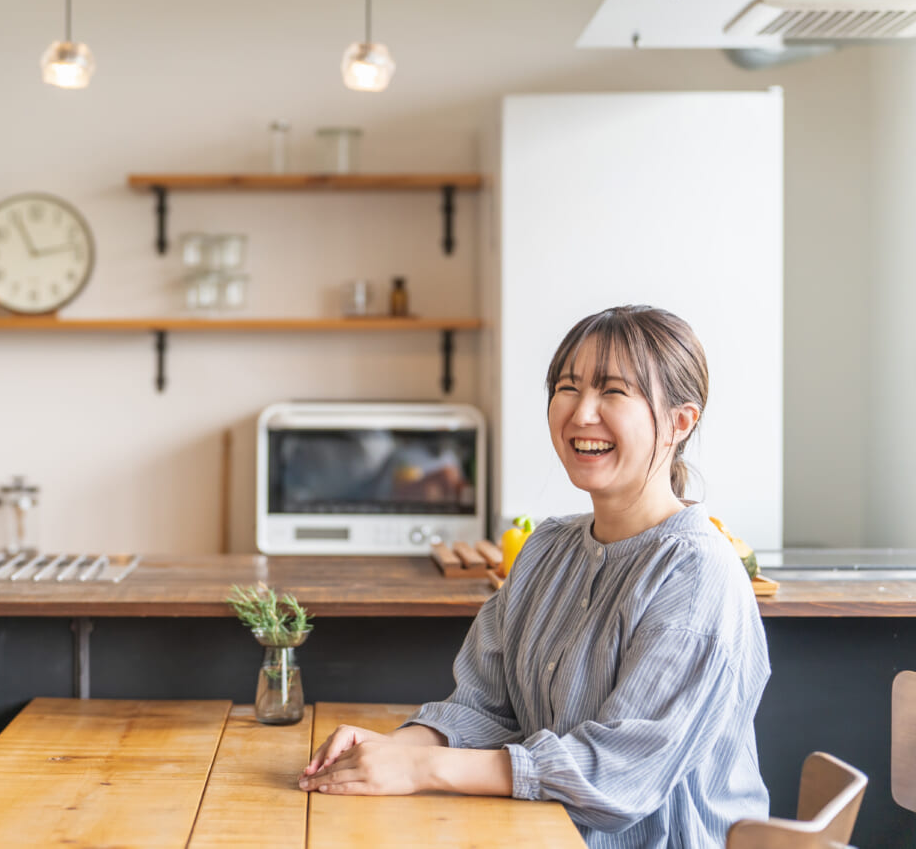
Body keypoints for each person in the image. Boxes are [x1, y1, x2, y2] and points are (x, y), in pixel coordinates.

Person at [299, 305, 771, 849]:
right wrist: (395, 748)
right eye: (568, 387)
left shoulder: (696, 573)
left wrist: (422, 769)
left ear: (680, 422)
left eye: (613, 392)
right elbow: (485, 706)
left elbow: (617, 777)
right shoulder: (546, 547)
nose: (581, 413)